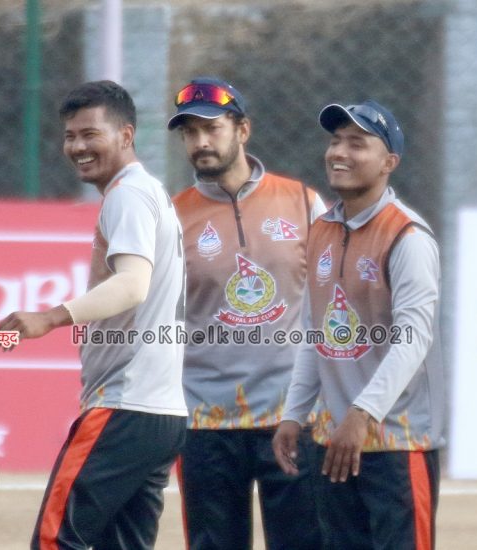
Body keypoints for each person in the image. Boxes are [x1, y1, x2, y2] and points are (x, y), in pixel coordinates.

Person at [0, 80, 187, 550]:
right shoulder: (148, 191)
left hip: (125, 406)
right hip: (161, 413)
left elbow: (132, 284)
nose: (78, 147)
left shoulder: (128, 195)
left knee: (55, 540)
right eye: (70, 136)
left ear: (126, 135)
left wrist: (50, 317)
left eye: (90, 134)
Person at [273, 100, 444, 548]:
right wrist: (294, 414)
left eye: (357, 143)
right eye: (335, 141)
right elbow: (315, 335)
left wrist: (362, 414)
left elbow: (413, 340)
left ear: (389, 163)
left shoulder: (408, 236)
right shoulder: (322, 230)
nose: (339, 152)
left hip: (396, 444)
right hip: (334, 443)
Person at [167, 77, 324, 549]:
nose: (200, 142)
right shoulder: (171, 217)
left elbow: (334, 299)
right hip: (205, 420)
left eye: (211, 128)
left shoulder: (302, 202)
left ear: (243, 130)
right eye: (190, 132)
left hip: (293, 416)